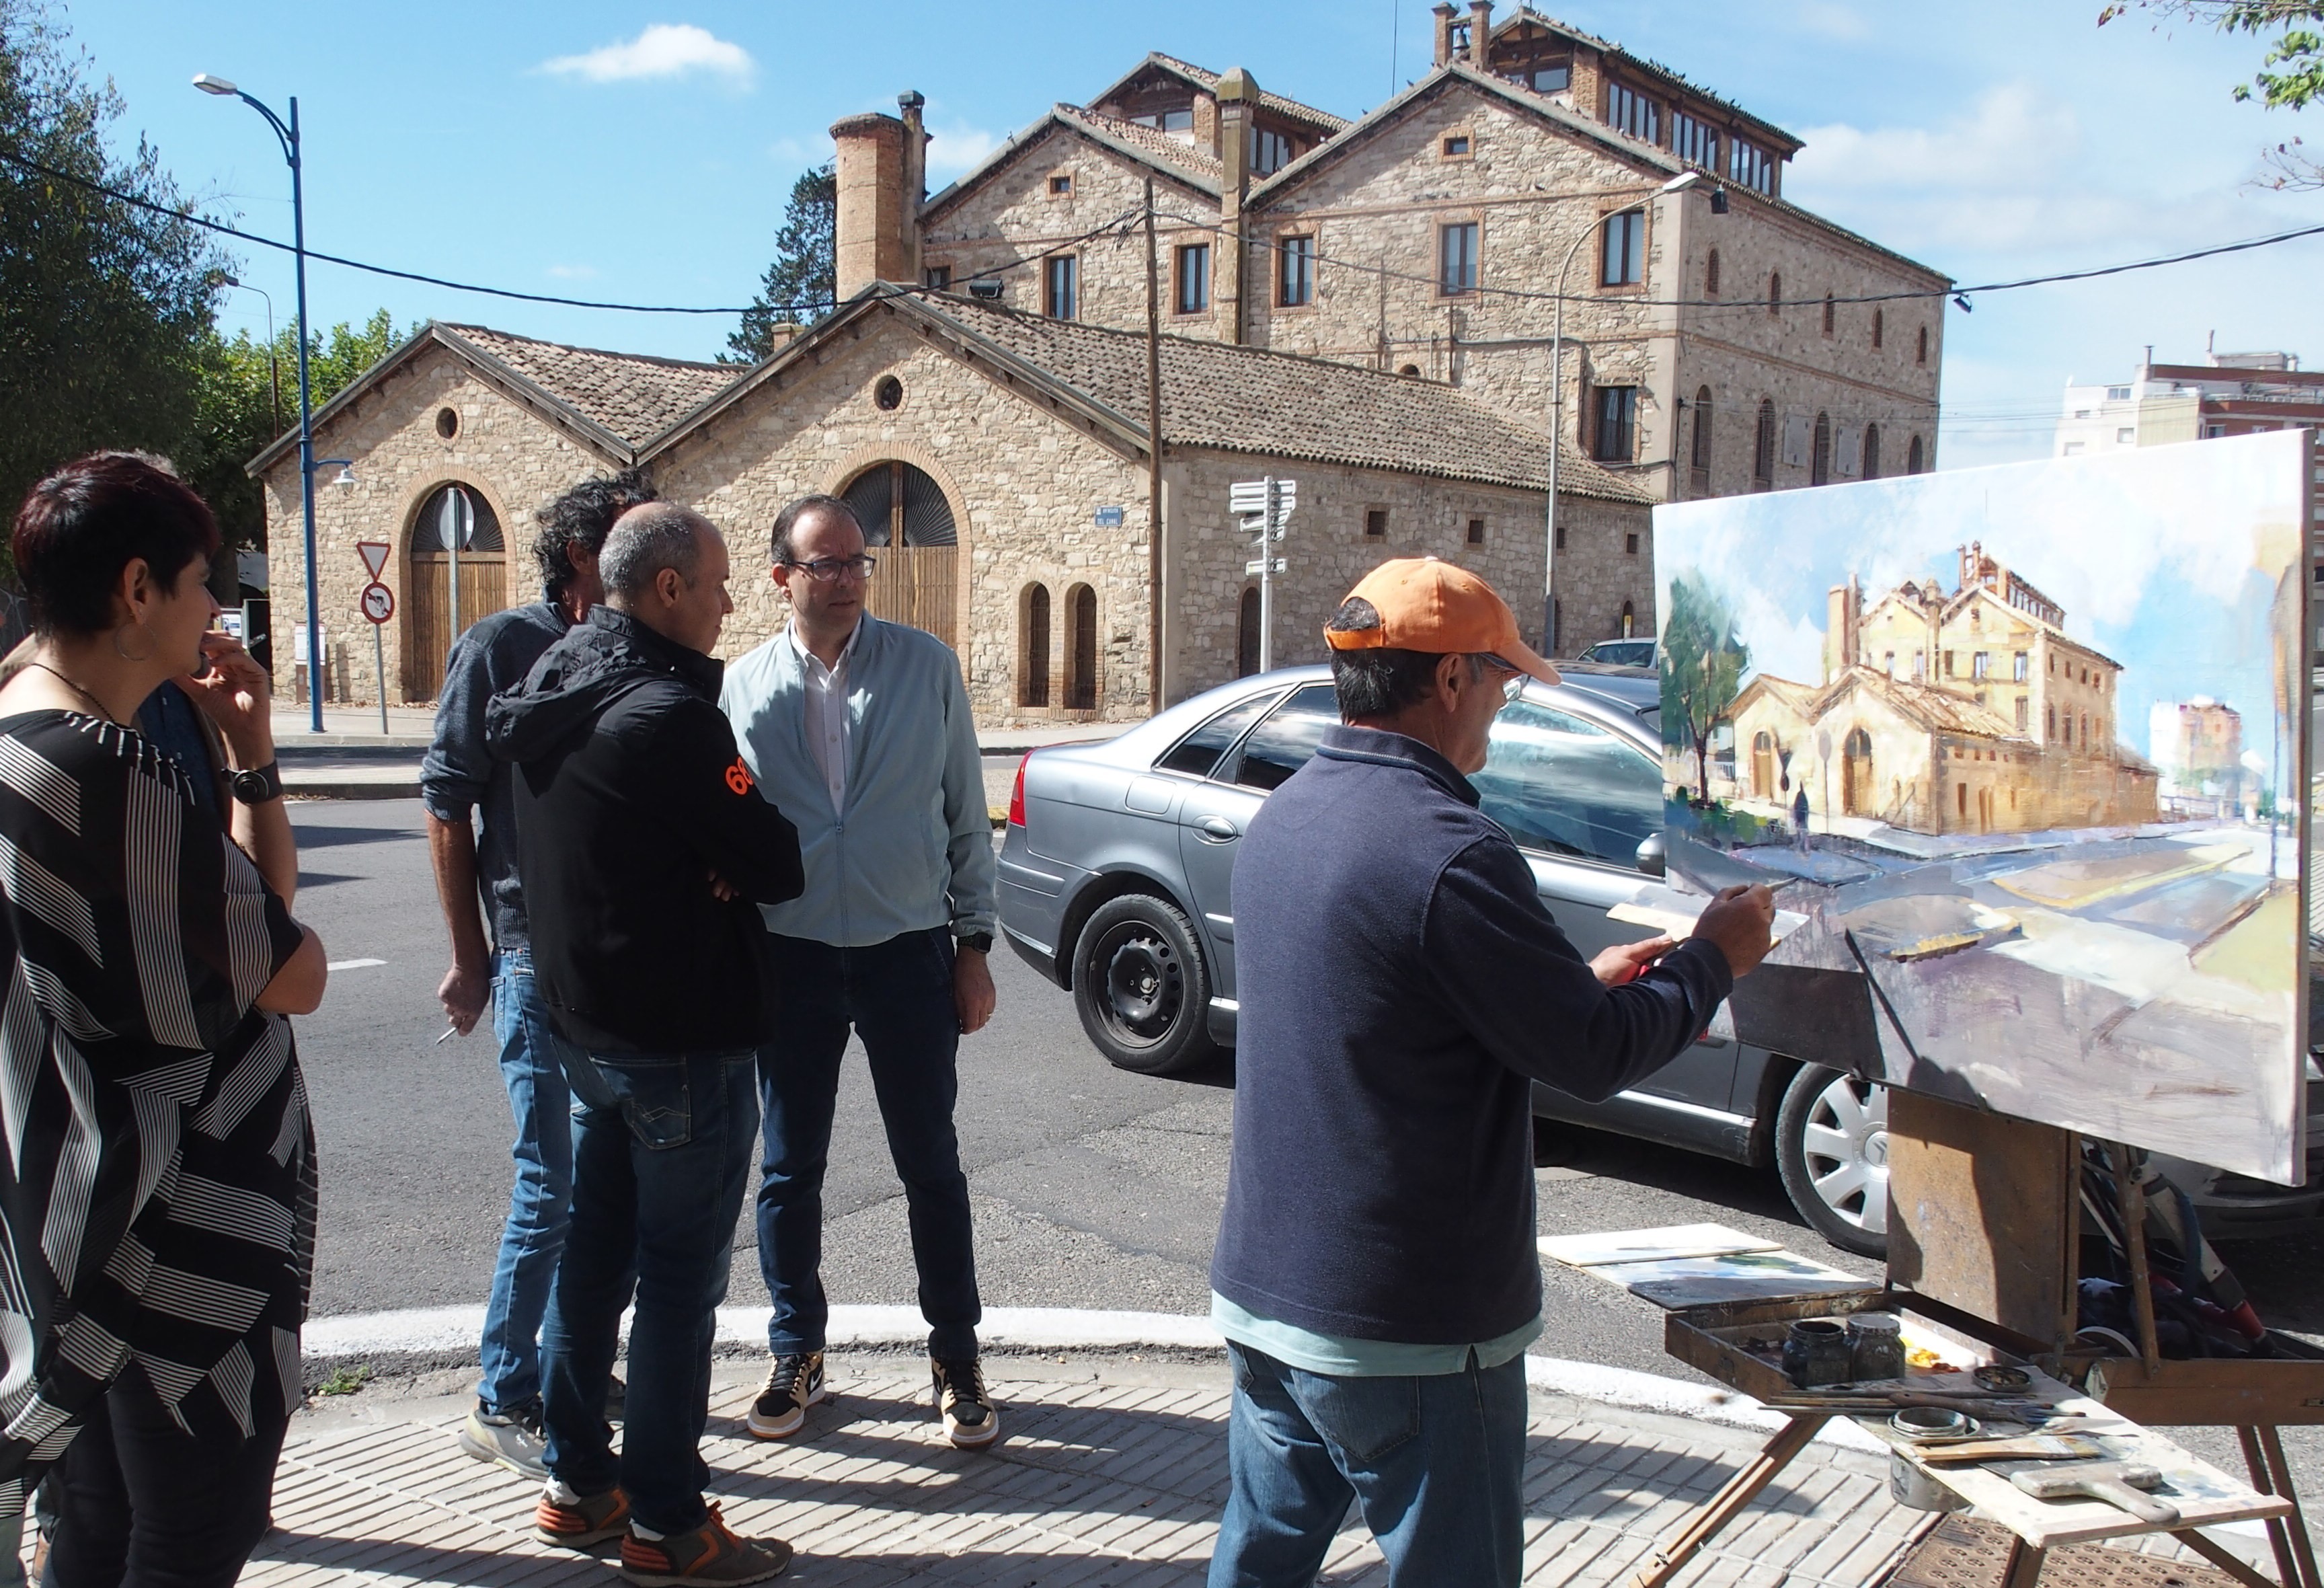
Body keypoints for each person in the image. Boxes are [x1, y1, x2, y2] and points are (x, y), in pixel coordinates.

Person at [1205, 558, 1775, 1588]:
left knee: (1258, 1566)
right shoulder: (1452, 848)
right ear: (1453, 679)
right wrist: (1711, 960)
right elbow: (1591, 1055)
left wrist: (1572, 981)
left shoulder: (1287, 814)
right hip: (1409, 1326)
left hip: (1271, 1292)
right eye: (1503, 685)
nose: (1503, 711)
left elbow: (1392, 1002)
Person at [0, 453, 327, 1585]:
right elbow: (295, 970)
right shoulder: (104, 768)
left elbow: (251, 926)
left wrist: (251, 762)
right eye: (201, 582)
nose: (215, 610)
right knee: (195, 1528)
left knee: (90, 1522)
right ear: (137, 589)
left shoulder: (16, 722)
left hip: (72, 1215)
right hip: (173, 1223)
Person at [488, 504, 804, 1585]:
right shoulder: (669, 710)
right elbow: (773, 854)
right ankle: (667, 1520)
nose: (729, 601)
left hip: (586, 1030)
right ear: (666, 589)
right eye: (717, 582)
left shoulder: (553, 676)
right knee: (675, 1282)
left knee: (594, 1259)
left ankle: (579, 1483)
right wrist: (722, 852)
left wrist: (706, 851)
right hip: (680, 1040)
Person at [720, 494, 1001, 1451]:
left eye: (855, 562)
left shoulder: (926, 668)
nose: (844, 578)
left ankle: (956, 1354)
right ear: (782, 578)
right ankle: (797, 1346)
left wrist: (974, 946)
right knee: (790, 1168)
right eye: (823, 564)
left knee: (931, 1162)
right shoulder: (741, 687)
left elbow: (968, 812)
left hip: (907, 949)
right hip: (789, 956)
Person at [421, 469, 656, 1477]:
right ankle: (502, 1391)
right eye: (632, 541)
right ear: (582, 557)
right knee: (549, 1183)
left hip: (618, 956)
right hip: (528, 951)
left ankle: (570, 1358)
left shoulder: (640, 651)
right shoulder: (501, 648)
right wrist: (471, 956)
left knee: (620, 1178)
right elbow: (446, 806)